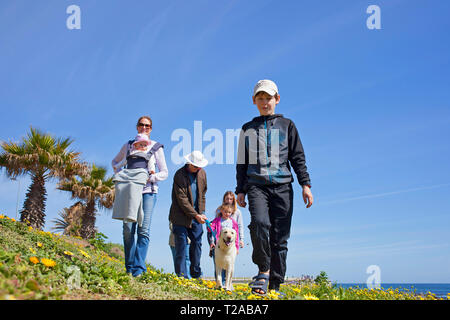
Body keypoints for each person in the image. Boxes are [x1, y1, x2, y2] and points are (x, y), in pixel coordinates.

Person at [235, 79, 314, 295]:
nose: (264, 102)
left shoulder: (288, 125)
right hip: (256, 186)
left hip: (283, 186)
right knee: (260, 224)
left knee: (280, 238)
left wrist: (305, 184)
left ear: (276, 99)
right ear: (254, 101)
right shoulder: (247, 128)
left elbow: (298, 157)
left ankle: (275, 286)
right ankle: (263, 271)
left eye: (268, 98)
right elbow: (241, 162)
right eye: (260, 98)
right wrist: (240, 189)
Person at [111, 116, 168, 277]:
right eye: (142, 125)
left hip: (148, 192)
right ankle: (129, 267)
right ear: (137, 127)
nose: (144, 127)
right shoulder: (128, 145)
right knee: (128, 229)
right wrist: (121, 174)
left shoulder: (156, 147)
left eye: (147, 126)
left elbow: (164, 172)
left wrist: (151, 177)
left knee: (144, 230)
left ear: (151, 128)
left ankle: (138, 269)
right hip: (129, 191)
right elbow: (115, 162)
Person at [169, 150, 208, 279]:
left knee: (197, 245)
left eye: (199, 166)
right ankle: (182, 277)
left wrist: (201, 213)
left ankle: (196, 275)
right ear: (189, 163)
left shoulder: (202, 173)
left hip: (197, 217)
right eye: (195, 166)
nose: (198, 168)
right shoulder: (179, 175)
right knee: (181, 246)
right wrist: (195, 215)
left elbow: (202, 194)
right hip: (180, 217)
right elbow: (182, 200)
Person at [207, 203, 240, 285]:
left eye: (229, 212)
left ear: (231, 213)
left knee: (230, 266)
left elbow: (236, 236)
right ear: (221, 211)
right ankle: (219, 283)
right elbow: (211, 229)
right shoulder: (217, 220)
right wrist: (209, 226)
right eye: (225, 212)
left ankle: (228, 284)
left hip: (230, 248)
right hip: (219, 245)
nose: (227, 214)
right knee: (218, 264)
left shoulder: (233, 222)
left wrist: (237, 247)